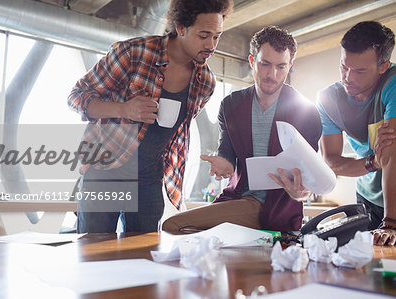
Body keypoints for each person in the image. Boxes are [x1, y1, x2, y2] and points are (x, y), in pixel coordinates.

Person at [67, 0, 234, 233]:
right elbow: (76, 97)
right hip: (104, 173)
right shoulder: (133, 53)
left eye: (217, 36)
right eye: (204, 35)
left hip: (149, 180)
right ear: (181, 27)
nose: (211, 45)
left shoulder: (205, 82)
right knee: (93, 254)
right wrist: (124, 110)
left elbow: (173, 132)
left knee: (143, 256)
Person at [162, 26, 322, 234]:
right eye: (265, 64)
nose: (272, 74)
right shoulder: (231, 105)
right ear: (252, 61)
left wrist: (301, 192)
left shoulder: (307, 112)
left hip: (277, 211)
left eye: (281, 67)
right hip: (238, 199)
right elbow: (227, 153)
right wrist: (223, 164)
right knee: (186, 234)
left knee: (173, 225)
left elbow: (308, 179)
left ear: (290, 65)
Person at [316, 21, 396, 246]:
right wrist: (373, 163)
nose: (348, 77)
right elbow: (331, 161)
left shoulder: (393, 83)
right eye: (344, 66)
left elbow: (391, 150)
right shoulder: (328, 99)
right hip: (368, 199)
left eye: (360, 71)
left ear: (383, 66)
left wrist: (390, 223)